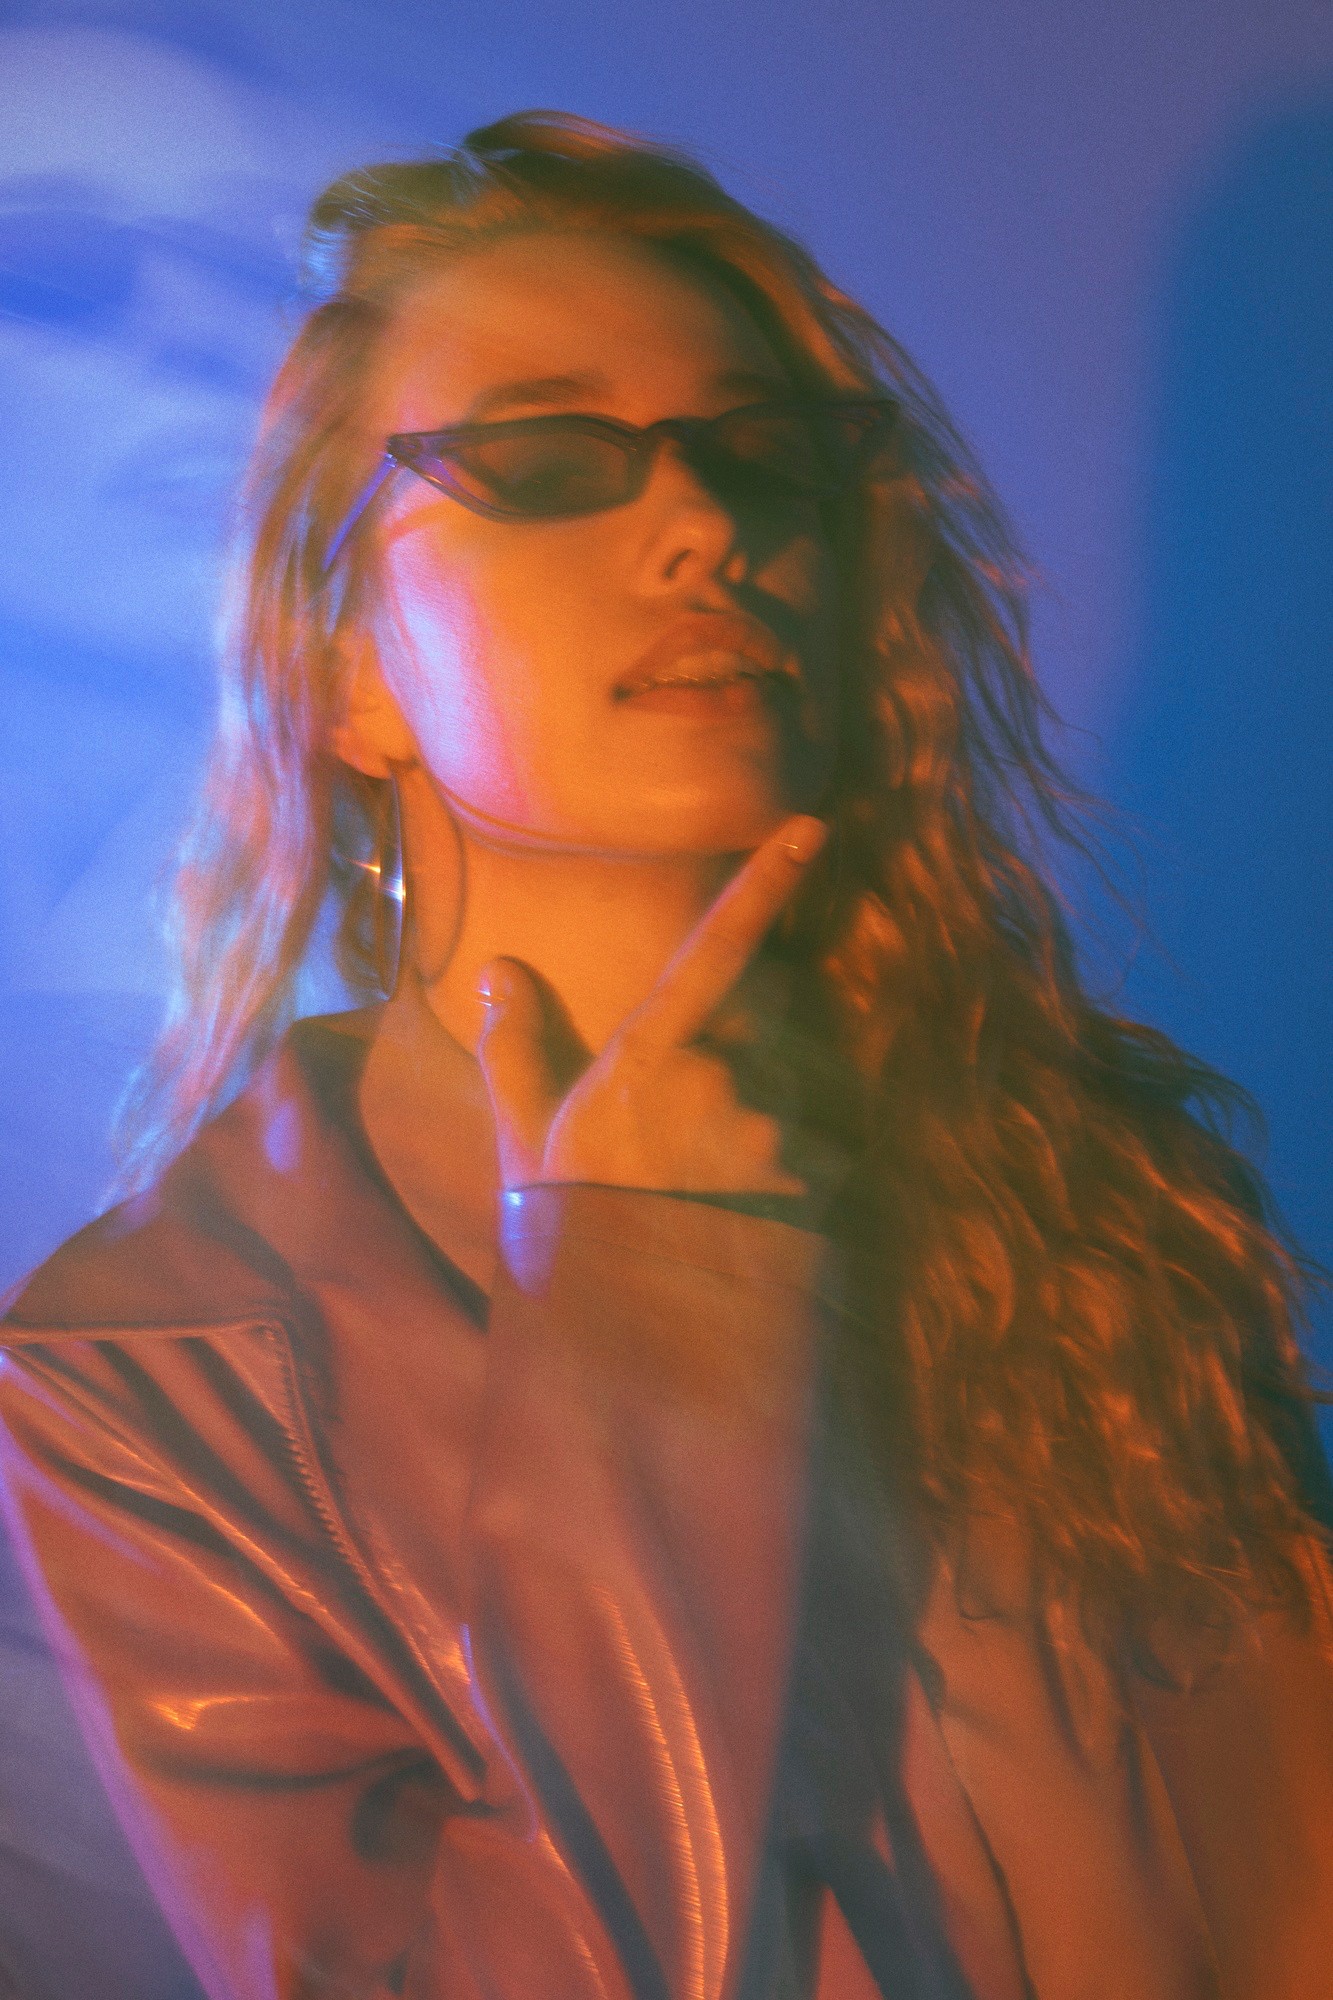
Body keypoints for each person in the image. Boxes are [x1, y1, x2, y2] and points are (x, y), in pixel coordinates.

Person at [1, 110, 1330, 1999]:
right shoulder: (168, 1363)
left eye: (758, 454)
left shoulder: (1091, 1187)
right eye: (543, 462)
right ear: (346, 663)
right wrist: (642, 1289)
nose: (704, 524)